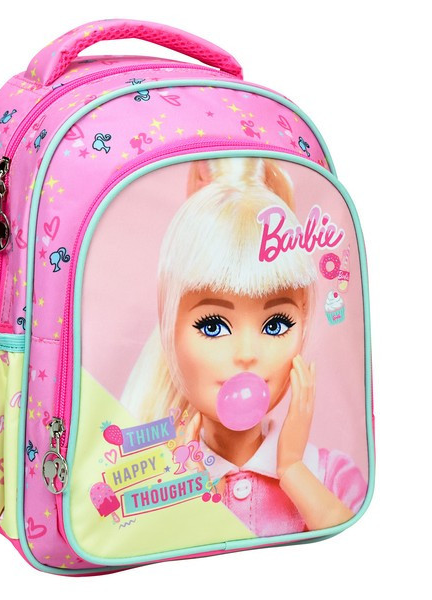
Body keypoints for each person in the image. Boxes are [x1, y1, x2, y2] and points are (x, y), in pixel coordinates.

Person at [121, 158, 366, 536]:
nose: (247, 353)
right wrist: (186, 495)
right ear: (170, 330)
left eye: (276, 324)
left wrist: (292, 469)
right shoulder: (150, 480)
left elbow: (362, 551)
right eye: (213, 326)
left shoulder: (329, 475)